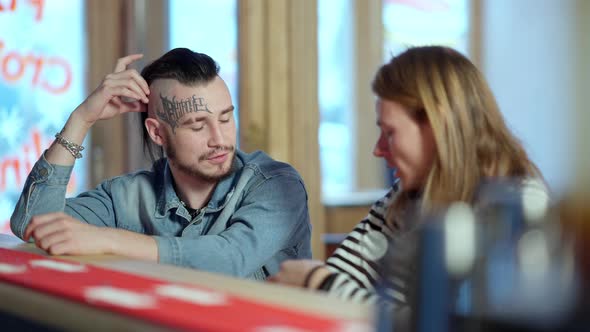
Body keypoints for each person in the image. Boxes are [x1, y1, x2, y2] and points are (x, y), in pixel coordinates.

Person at [270, 46, 547, 309]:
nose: (378, 150)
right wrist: (317, 285)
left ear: (439, 126)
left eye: (390, 133)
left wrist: (320, 283)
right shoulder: (407, 194)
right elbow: (340, 276)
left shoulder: (518, 209)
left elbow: (451, 322)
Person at [10, 48, 312, 280]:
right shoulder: (126, 196)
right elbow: (33, 224)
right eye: (197, 125)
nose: (219, 138)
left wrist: (109, 240)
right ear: (157, 132)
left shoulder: (276, 184)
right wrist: (81, 119)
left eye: (225, 117)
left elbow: (231, 257)